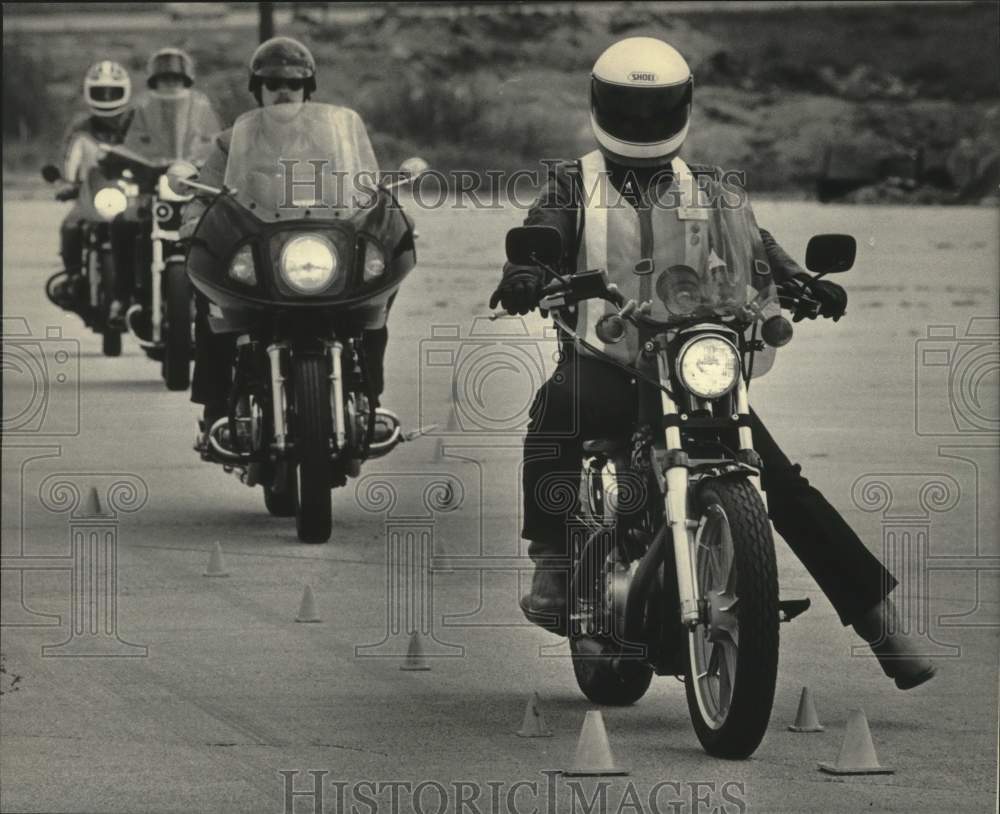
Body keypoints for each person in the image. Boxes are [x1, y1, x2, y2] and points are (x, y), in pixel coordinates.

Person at [489, 37, 935, 690]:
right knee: (557, 410)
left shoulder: (712, 190)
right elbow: (547, 229)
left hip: (693, 364)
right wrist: (528, 270)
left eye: (654, 108)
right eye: (628, 108)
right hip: (607, 358)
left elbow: (760, 249)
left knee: (781, 481)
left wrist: (803, 284)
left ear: (682, 106)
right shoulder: (572, 183)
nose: (641, 123)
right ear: (599, 106)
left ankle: (881, 623)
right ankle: (553, 561)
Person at [179, 36, 394, 449]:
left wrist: (382, 212)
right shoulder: (230, 142)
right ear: (256, 89)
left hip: (322, 250)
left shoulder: (334, 139)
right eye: (271, 83)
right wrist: (193, 223)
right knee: (213, 308)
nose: (282, 91)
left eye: (292, 85)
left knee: (374, 307)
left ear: (307, 90)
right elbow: (205, 193)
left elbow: (366, 185)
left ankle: (369, 398)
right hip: (261, 254)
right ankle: (215, 408)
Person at [106, 48, 222, 323]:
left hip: (192, 187)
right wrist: (130, 161)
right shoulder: (141, 108)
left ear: (187, 81)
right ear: (154, 81)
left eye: (176, 79)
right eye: (164, 79)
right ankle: (123, 297)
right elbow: (126, 144)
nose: (171, 84)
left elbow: (215, 140)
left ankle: (223, 298)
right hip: (150, 188)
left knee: (224, 227)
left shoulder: (202, 106)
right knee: (122, 224)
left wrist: (205, 161)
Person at [52, 60, 134, 308]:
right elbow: (68, 156)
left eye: (113, 91)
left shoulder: (136, 123)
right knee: (70, 225)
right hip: (89, 193)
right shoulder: (80, 126)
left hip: (129, 193)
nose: (107, 97)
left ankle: (142, 278)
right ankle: (74, 277)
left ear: (125, 91)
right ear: (89, 93)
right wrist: (64, 183)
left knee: (144, 226)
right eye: (101, 92)